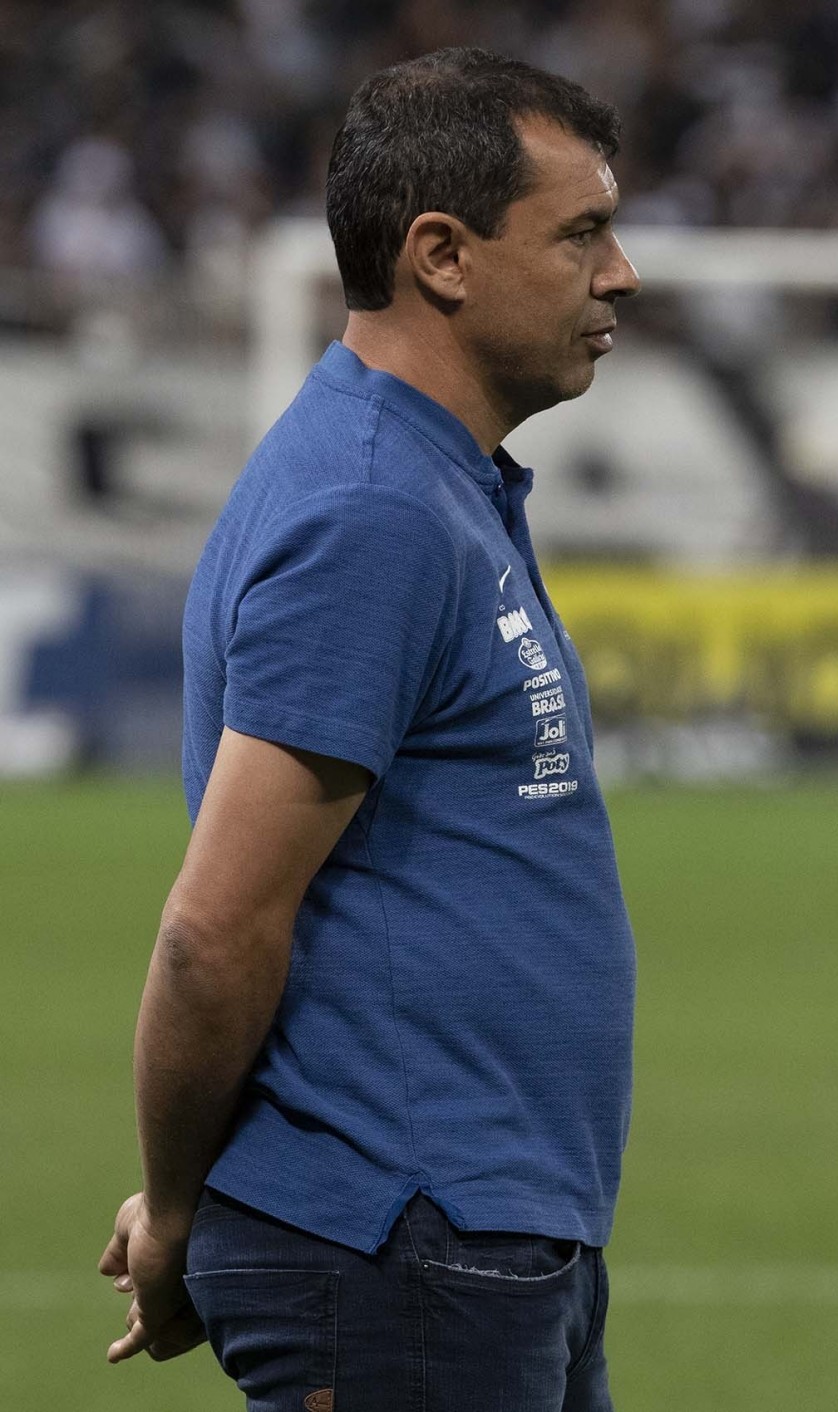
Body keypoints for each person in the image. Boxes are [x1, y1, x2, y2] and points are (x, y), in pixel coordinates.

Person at [99, 46, 639, 1412]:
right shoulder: (374, 510)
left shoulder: (426, 482)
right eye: (580, 232)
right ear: (441, 255)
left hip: (475, 1235)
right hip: (400, 1240)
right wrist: (170, 1211)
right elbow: (213, 927)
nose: (620, 272)